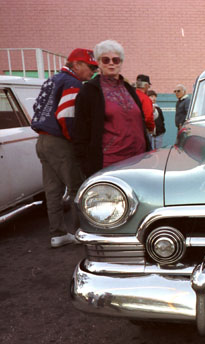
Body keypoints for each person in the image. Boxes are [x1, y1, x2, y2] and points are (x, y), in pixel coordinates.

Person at [31, 48, 97, 248]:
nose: (92, 72)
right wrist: (76, 142)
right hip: (59, 141)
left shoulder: (53, 79)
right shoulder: (72, 82)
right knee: (77, 186)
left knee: (52, 190)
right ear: (76, 65)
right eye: (90, 66)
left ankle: (58, 233)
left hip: (42, 140)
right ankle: (80, 232)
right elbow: (66, 116)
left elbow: (37, 107)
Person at [73, 40, 150, 178]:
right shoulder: (89, 91)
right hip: (109, 163)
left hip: (138, 161)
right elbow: (80, 132)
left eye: (116, 60)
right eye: (106, 60)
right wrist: (85, 165)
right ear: (99, 62)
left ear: (121, 63)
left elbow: (141, 123)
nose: (111, 63)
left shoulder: (129, 89)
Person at [134, 74, 156, 139]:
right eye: (149, 86)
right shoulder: (145, 99)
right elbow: (148, 117)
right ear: (146, 85)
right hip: (142, 131)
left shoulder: (129, 95)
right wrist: (151, 128)